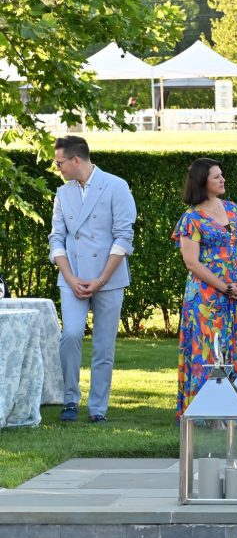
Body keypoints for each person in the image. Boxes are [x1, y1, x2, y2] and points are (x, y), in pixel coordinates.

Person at [48, 135, 136, 423]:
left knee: (103, 345)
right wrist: (70, 277)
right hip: (72, 277)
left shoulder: (116, 186)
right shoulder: (62, 193)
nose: (57, 167)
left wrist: (101, 279)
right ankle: (69, 399)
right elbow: (56, 238)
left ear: (76, 160)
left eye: (59, 162)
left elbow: (123, 237)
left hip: (109, 278)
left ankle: (98, 408)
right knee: (71, 334)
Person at [172, 158, 237, 419]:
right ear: (202, 182)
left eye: (222, 175)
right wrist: (225, 287)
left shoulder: (234, 210)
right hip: (206, 297)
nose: (222, 179)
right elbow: (192, 263)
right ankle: (208, 414)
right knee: (209, 349)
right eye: (216, 176)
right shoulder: (192, 219)